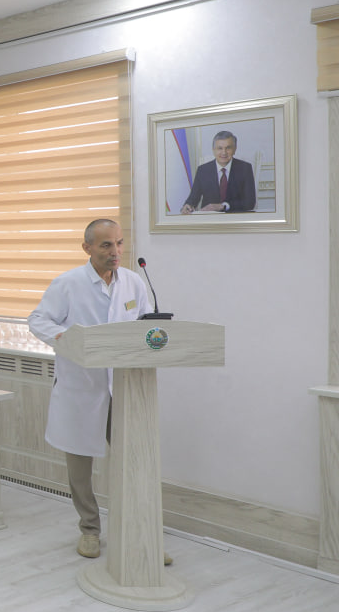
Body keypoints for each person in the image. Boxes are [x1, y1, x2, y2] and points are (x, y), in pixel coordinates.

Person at [28, 219, 170, 564]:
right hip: (81, 387)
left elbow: (144, 327)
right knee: (80, 468)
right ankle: (90, 529)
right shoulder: (68, 284)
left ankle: (141, 533)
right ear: (87, 248)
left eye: (119, 243)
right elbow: (38, 320)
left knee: (135, 463)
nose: (115, 251)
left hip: (123, 387)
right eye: (106, 245)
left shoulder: (134, 282)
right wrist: (67, 339)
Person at [180, 130, 256, 213]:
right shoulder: (203, 170)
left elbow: (250, 203)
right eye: (220, 148)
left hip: (235, 217)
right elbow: (192, 199)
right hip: (209, 218)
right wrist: (188, 206)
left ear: (235, 149)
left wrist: (223, 206)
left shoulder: (245, 168)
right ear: (213, 150)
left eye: (228, 148)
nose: (224, 152)